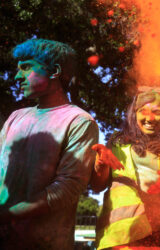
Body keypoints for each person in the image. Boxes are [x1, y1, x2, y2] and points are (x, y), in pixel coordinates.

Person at [0, 39, 99, 249]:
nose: (18, 76)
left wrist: (7, 214)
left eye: (26, 67)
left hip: (44, 243)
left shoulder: (79, 121)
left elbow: (68, 187)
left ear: (54, 71)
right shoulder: (16, 117)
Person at [91, 89, 160, 249]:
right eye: (144, 111)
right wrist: (101, 164)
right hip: (122, 238)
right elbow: (97, 186)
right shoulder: (117, 143)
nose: (150, 118)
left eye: (157, 112)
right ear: (134, 114)